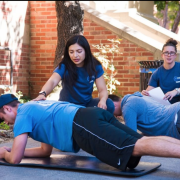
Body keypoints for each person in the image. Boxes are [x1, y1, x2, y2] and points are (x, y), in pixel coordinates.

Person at [2, 94, 180, 171]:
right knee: (140, 141)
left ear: (7, 109)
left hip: (81, 124)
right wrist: (14, 150)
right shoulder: (34, 107)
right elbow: (44, 151)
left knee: (135, 146)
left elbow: (15, 160)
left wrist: (4, 153)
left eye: (2, 118)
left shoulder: (23, 115)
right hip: (90, 115)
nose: (6, 123)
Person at [33, 35, 114, 113]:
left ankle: (98, 126)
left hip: (87, 105)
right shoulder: (64, 66)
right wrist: (42, 94)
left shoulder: (95, 66)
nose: (75, 55)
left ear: (86, 50)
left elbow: (102, 90)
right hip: (67, 106)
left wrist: (102, 101)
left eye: (79, 51)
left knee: (109, 104)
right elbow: (52, 81)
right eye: (71, 52)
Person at [108, 93, 180, 139]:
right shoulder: (139, 96)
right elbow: (153, 117)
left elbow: (131, 137)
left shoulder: (128, 107)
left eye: (114, 114)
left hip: (175, 118)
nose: (116, 116)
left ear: (114, 105)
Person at [141, 38, 180, 104]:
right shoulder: (157, 73)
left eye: (172, 53)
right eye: (166, 53)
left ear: (175, 55)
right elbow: (150, 90)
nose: (169, 55)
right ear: (162, 55)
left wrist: (176, 91)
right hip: (164, 107)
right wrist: (145, 93)